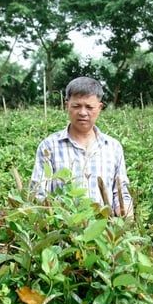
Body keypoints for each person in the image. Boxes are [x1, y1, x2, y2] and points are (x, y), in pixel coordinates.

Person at [30, 76, 133, 217]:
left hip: (105, 231)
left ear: (99, 108)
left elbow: (121, 192)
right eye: (76, 106)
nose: (83, 113)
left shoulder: (113, 147)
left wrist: (124, 214)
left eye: (89, 107)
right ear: (67, 106)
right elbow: (38, 193)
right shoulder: (49, 146)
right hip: (64, 229)